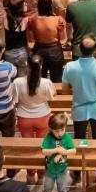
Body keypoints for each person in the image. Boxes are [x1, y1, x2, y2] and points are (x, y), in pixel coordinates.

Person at [62, 35, 96, 141]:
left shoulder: (69, 66)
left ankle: (82, 151)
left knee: (80, 140)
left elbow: (64, 89)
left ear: (79, 48)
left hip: (79, 108)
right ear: (95, 49)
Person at [14, 53, 56, 182]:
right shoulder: (46, 82)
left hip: (24, 118)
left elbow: (15, 99)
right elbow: (51, 97)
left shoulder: (17, 82)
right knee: (43, 148)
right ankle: (41, 175)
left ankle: (30, 174)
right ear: (41, 66)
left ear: (27, 65)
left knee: (29, 149)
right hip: (43, 117)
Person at [39, 111, 75, 192]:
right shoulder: (48, 137)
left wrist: (65, 151)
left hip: (62, 169)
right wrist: (55, 150)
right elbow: (43, 151)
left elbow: (74, 151)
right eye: (56, 131)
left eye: (62, 130)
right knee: (47, 187)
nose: (60, 133)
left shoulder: (67, 137)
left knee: (62, 188)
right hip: (50, 169)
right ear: (51, 129)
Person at [27, 0, 67, 82]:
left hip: (39, 50)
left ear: (38, 6)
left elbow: (31, 39)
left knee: (38, 82)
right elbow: (63, 39)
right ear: (50, 6)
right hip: (55, 51)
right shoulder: (58, 19)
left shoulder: (32, 20)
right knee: (56, 81)